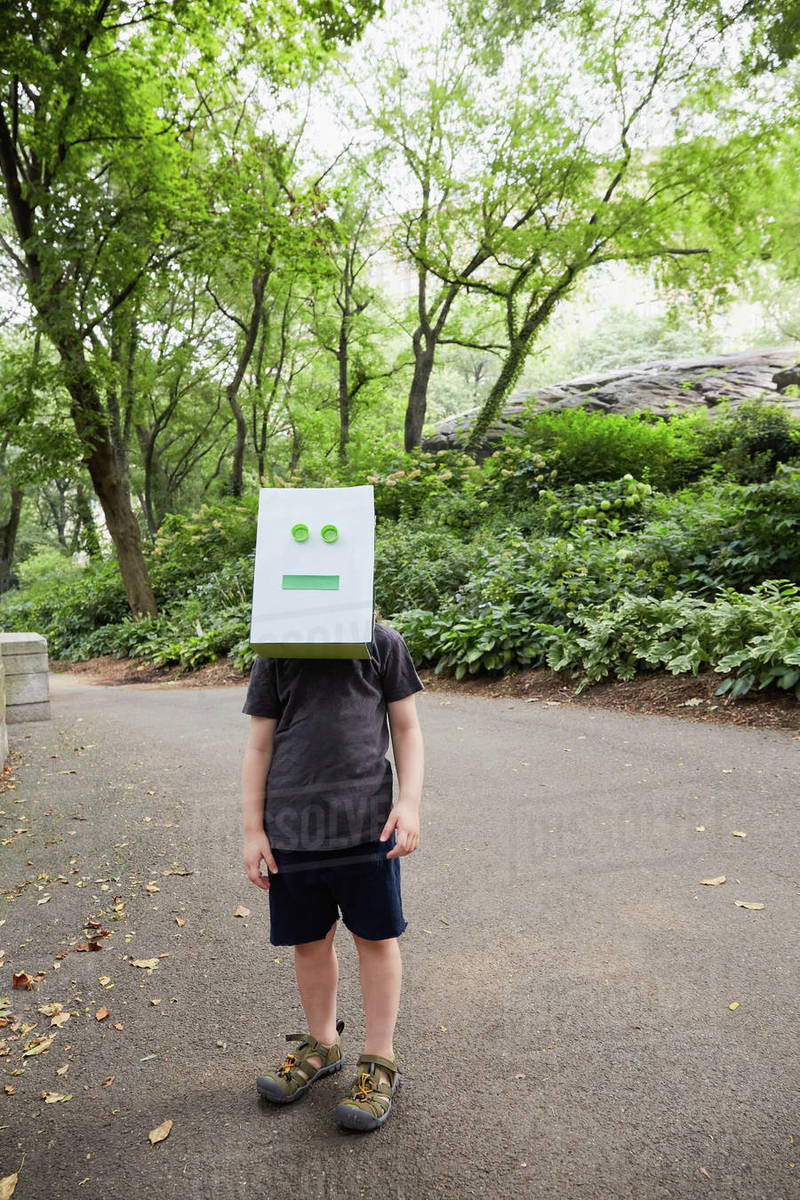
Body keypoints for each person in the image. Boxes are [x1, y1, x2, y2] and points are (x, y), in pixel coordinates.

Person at [241, 622, 424, 1132]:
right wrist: (253, 829)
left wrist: (409, 803)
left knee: (376, 940)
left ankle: (379, 1058)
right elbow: (259, 746)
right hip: (292, 833)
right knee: (309, 943)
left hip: (368, 828)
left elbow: (406, 728)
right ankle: (323, 1042)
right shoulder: (276, 650)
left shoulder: (381, 643)